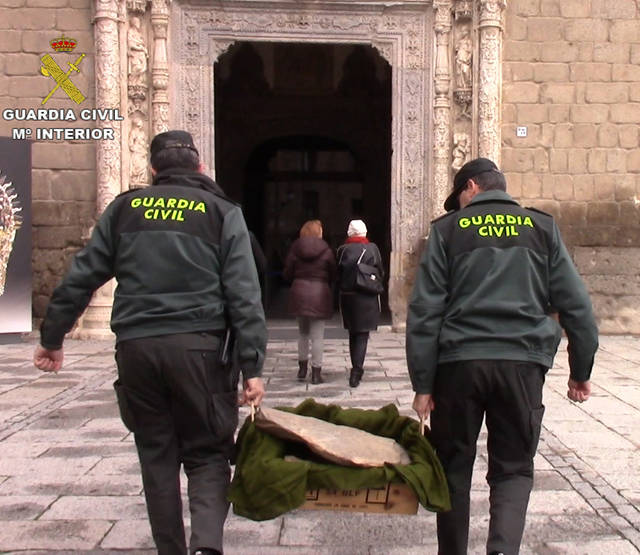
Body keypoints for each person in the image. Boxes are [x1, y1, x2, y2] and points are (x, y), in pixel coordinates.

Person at [33, 130, 267, 555]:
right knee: (209, 452)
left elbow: (82, 274)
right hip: (200, 350)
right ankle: (206, 548)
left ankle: (170, 550)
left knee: (157, 454)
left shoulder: (126, 208)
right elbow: (244, 293)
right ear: (199, 168)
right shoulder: (220, 211)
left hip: (138, 350)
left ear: (154, 170)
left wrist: (53, 337)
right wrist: (252, 367)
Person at [406, 157, 599, 555]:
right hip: (521, 365)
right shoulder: (541, 228)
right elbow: (577, 306)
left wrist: (423, 385)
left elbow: (425, 313)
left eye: (458, 196)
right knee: (513, 469)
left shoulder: (447, 232)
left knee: (452, 468)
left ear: (472, 187)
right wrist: (580, 371)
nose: (457, 205)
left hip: (459, 366)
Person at [283, 219, 336, 384]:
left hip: (299, 294)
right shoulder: (326, 250)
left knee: (303, 334)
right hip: (319, 295)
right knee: (317, 337)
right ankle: (316, 373)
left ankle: (302, 369)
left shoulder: (295, 249)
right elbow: (333, 273)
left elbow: (287, 273)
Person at [336, 219, 384, 388]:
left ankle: (355, 368)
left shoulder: (342, 250)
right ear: (364, 232)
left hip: (348, 297)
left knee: (353, 333)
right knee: (363, 335)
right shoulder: (372, 249)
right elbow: (380, 271)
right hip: (367, 296)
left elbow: (338, 273)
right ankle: (357, 370)